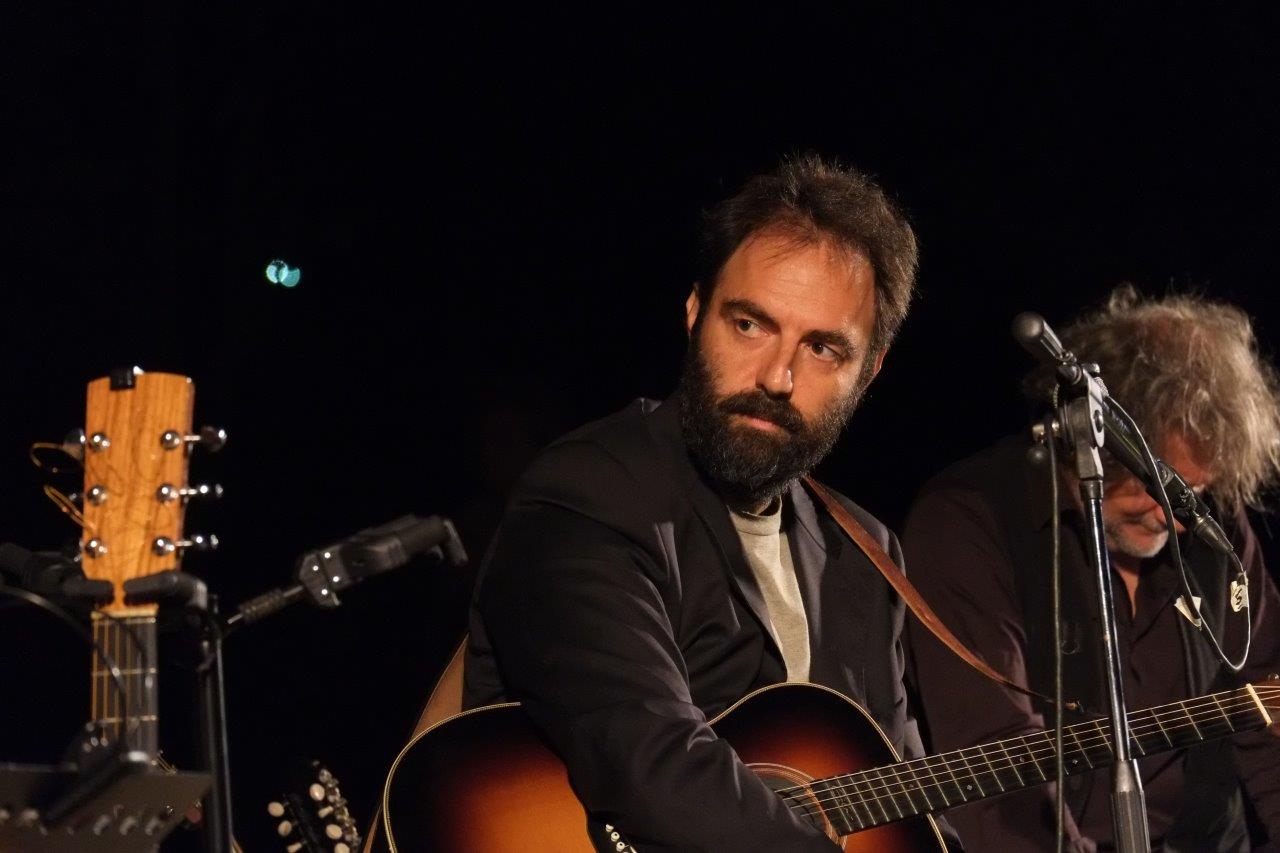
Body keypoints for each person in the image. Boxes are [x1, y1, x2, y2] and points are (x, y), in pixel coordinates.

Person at [462, 154, 959, 851]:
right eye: (750, 325)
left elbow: (904, 799)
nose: (777, 377)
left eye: (822, 348)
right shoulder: (591, 491)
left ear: (869, 371)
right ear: (695, 314)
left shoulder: (867, 555)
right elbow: (651, 767)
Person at [905, 286, 1280, 851]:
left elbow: (1265, 704)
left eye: (1193, 491)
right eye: (1155, 485)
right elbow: (996, 764)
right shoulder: (969, 521)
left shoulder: (1211, 523)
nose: (1173, 518)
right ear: (1093, 437)